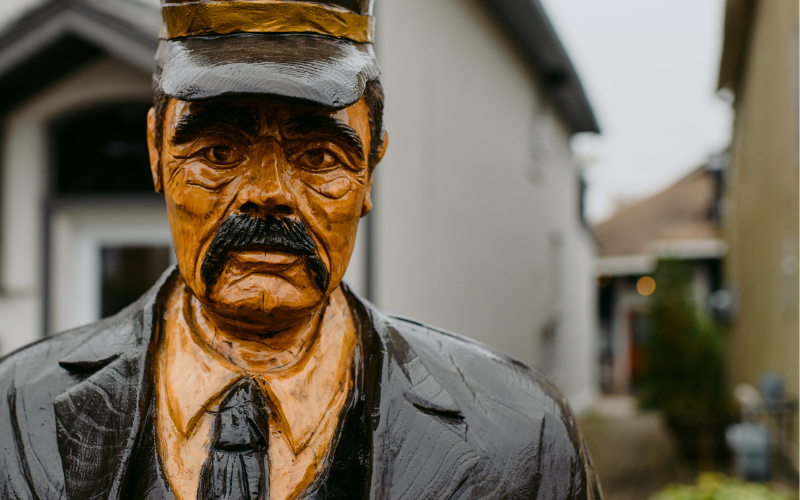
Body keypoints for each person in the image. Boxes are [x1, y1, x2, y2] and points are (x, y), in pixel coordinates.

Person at [0, 1, 602, 499]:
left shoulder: (524, 435)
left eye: (317, 158)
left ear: (369, 170)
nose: (266, 194)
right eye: (217, 153)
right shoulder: (13, 412)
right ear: (157, 153)